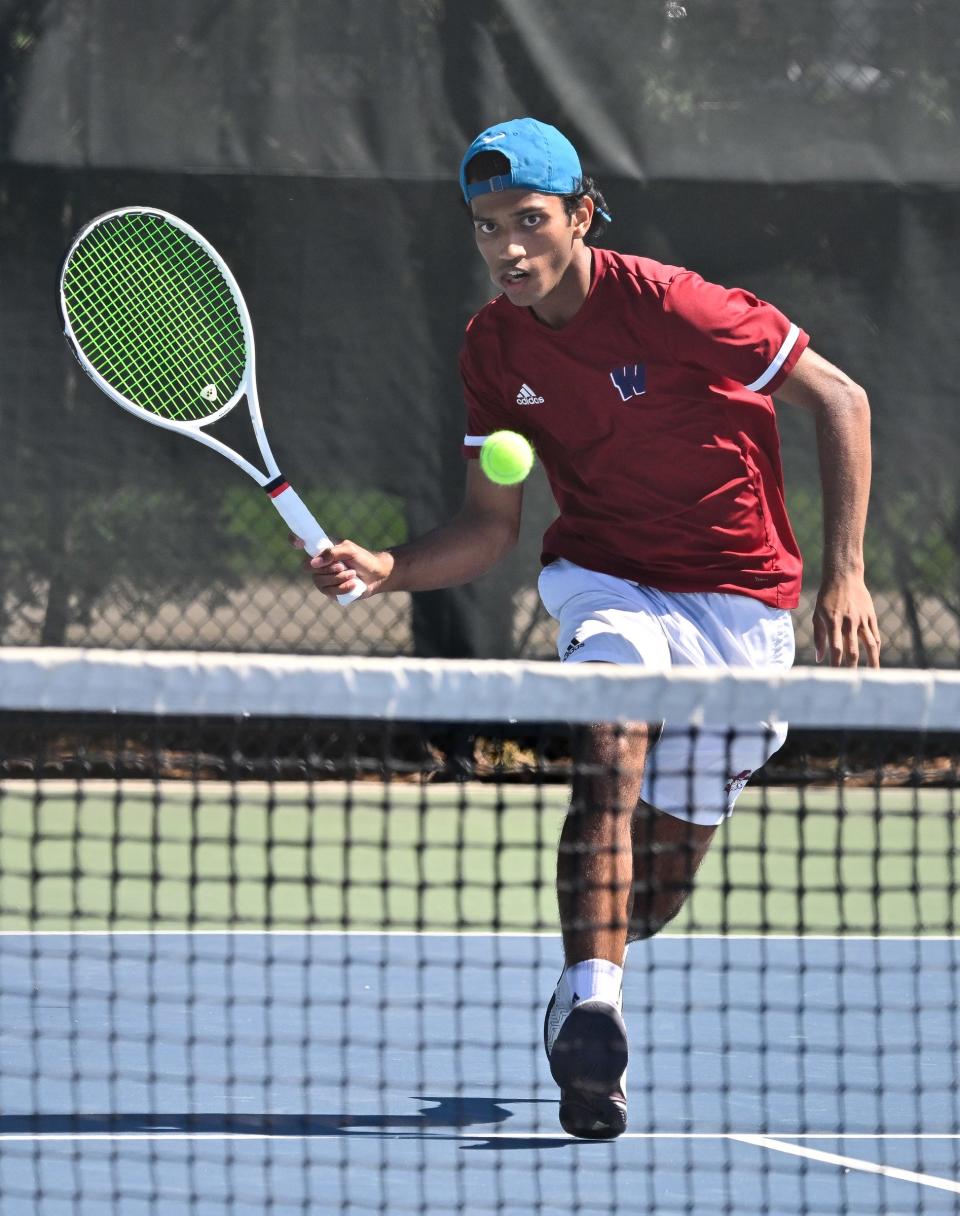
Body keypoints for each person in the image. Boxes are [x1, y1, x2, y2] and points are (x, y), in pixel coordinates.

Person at [299, 117, 881, 1140]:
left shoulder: (673, 304)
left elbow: (841, 396)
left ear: (580, 214)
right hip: (606, 577)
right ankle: (600, 1007)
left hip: (745, 603)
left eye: (529, 222)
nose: (507, 249)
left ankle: (589, 974)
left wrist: (847, 576)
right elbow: (489, 526)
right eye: (486, 228)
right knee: (608, 750)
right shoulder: (493, 345)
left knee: (653, 893)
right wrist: (389, 568)